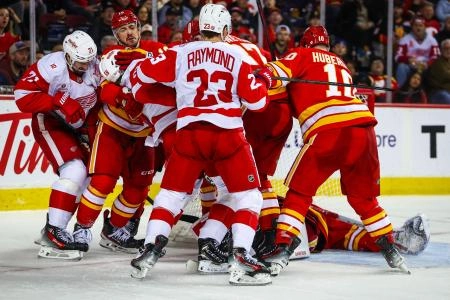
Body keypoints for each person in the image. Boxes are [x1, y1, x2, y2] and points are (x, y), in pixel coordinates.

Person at [124, 3, 274, 285]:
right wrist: (263, 78)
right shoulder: (238, 55)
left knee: (171, 195)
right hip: (227, 136)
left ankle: (151, 249)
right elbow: (259, 102)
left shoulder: (179, 53)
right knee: (248, 197)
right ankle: (241, 257)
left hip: (189, 135)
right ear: (226, 29)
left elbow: (142, 74)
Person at [261, 25, 410, 275]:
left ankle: (282, 247)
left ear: (305, 43)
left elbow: (272, 74)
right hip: (364, 129)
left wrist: (264, 71)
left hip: (329, 130)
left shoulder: (300, 54)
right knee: (364, 199)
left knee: (299, 193)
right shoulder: (341, 63)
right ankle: (390, 250)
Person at [72, 9, 167, 254]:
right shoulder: (111, 55)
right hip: (112, 128)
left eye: (132, 27)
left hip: (145, 133)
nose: (129, 33)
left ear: (139, 27)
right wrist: (126, 97)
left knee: (139, 188)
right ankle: (82, 228)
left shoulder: (156, 49)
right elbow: (104, 91)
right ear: (115, 34)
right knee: (103, 182)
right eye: (122, 30)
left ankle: (114, 229)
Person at [14, 30, 101, 260]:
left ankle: (55, 227)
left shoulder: (95, 67)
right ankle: (54, 233)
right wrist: (59, 101)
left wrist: (90, 132)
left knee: (90, 176)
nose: (85, 67)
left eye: (88, 62)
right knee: (74, 170)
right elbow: (22, 96)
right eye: (80, 62)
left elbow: (97, 104)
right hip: (50, 122)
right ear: (68, 56)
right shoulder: (51, 66)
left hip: (79, 129)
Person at [395, 16, 440, 87]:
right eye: (415, 25)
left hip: (426, 67)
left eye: (420, 26)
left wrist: (428, 64)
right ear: (412, 27)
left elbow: (436, 56)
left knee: (437, 67)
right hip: (410, 66)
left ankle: (433, 92)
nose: (418, 28)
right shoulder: (405, 39)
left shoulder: (432, 40)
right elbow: (397, 57)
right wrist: (408, 60)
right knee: (401, 66)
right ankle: (400, 92)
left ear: (425, 27)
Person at [426, 39, 450, 104]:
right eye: (446, 48)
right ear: (441, 50)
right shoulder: (437, 62)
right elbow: (445, 76)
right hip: (437, 93)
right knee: (447, 97)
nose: (448, 51)